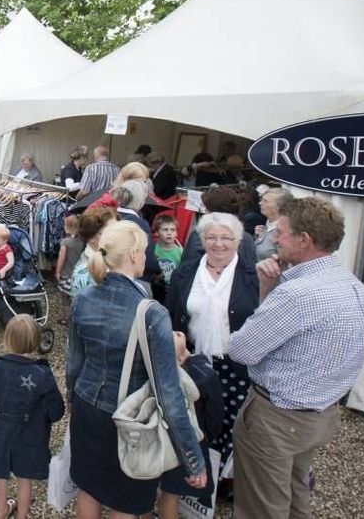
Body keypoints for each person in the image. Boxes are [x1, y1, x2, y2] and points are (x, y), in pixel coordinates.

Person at [228, 198, 364, 519]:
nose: (275, 238)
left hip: (278, 418)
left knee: (262, 508)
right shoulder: (356, 287)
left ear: (304, 239)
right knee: (296, 495)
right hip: (320, 414)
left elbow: (241, 349)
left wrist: (268, 290)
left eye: (281, 232)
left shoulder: (298, 294)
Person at [66, 220, 206, 519]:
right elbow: (169, 394)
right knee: (126, 501)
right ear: (132, 256)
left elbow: (74, 365)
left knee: (89, 488)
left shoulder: (84, 299)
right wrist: (192, 457)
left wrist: (73, 402)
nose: (146, 257)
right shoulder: (152, 312)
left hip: (87, 406)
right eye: (143, 251)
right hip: (130, 418)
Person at [165, 212, 258, 476]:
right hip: (193, 360)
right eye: (211, 237)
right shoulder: (186, 271)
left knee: (232, 421)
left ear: (238, 241)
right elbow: (171, 314)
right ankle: (194, 471)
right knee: (194, 417)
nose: (218, 244)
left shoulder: (252, 275)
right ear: (202, 240)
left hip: (235, 366)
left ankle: (223, 478)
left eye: (226, 238)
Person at [0, 314, 65, 519]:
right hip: (30, 435)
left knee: (0, 471)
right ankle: (22, 514)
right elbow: (56, 410)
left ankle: (1, 509)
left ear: (8, 339)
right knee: (25, 477)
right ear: (35, 341)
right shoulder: (42, 374)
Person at [157, 332, 223, 519]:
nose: (171, 332)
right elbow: (215, 414)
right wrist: (207, 437)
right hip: (190, 441)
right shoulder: (205, 376)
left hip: (164, 439)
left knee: (156, 489)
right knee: (171, 493)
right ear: (176, 359)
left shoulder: (158, 374)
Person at [111, 182, 160, 281]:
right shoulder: (140, 223)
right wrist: (158, 270)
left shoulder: (109, 216)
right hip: (135, 279)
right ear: (141, 202)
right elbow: (149, 261)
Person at [68, 207, 117, 303]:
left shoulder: (109, 260)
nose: (117, 236)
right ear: (92, 237)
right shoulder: (85, 272)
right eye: (111, 232)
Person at [254, 187, 294, 261]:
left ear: (279, 206)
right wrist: (257, 237)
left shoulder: (286, 232)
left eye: (265, 201)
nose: (260, 203)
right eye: (261, 200)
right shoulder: (266, 226)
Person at [55, 213, 83, 301]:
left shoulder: (65, 242)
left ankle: (66, 314)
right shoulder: (83, 242)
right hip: (78, 275)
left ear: (67, 227)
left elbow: (61, 258)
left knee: (65, 297)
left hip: (65, 274)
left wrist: (57, 272)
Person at [152, 213, 183, 290]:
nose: (169, 233)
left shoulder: (181, 252)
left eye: (172, 230)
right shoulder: (153, 250)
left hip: (173, 289)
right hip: (156, 288)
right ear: (156, 232)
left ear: (176, 233)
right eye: (165, 229)